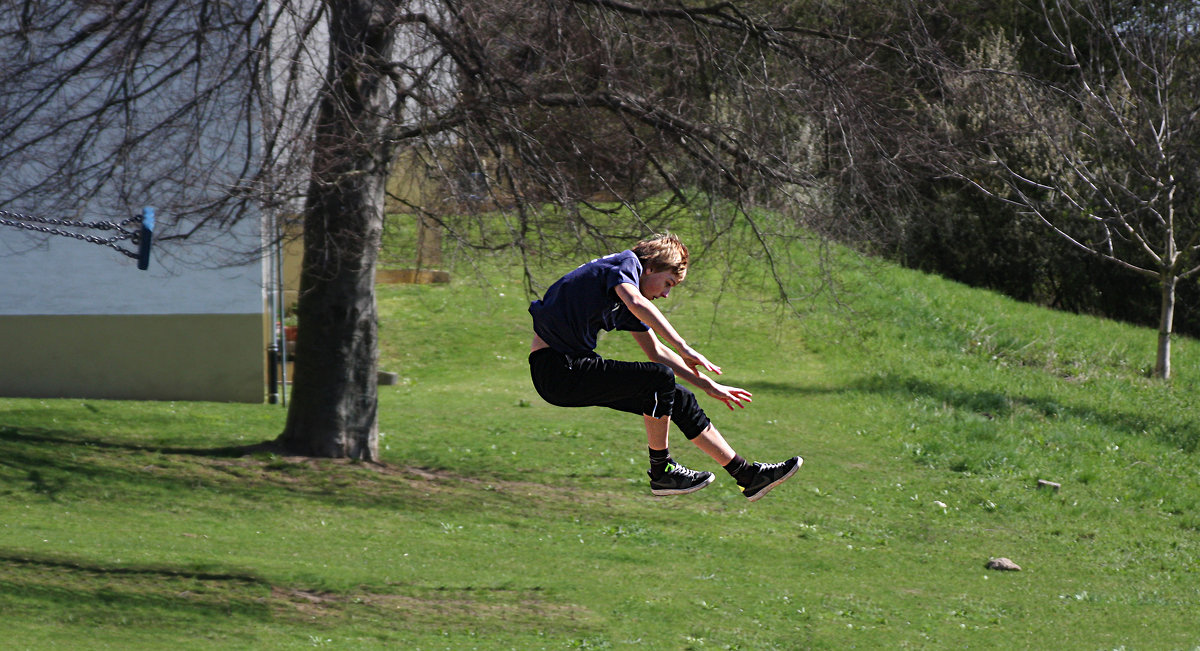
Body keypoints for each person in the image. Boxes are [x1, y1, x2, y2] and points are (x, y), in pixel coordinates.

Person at [527, 233, 802, 501]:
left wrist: (710, 386)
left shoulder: (619, 295)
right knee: (658, 379)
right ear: (650, 268)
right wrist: (684, 346)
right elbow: (637, 302)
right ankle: (662, 470)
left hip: (572, 370)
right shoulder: (625, 264)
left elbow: (656, 351)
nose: (667, 294)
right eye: (668, 283)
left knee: (678, 397)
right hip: (558, 369)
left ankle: (747, 476)